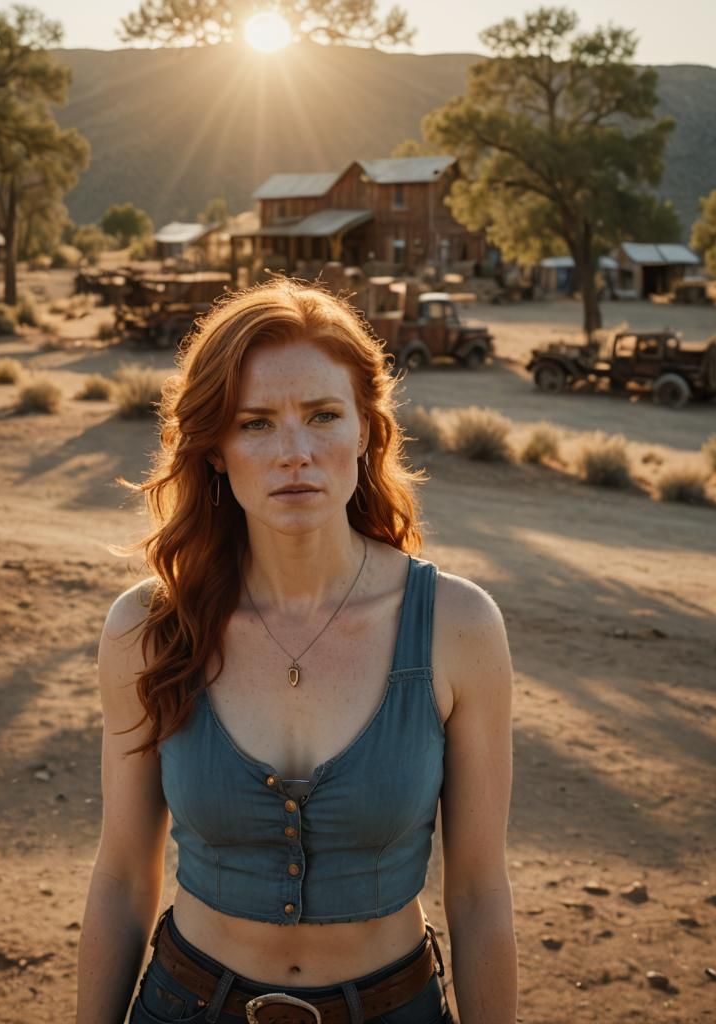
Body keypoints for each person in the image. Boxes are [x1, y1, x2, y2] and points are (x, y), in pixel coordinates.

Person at [76, 278, 517, 1024]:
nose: (295, 453)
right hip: (188, 1005)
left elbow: (477, 892)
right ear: (216, 450)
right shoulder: (147, 629)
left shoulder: (457, 625)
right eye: (255, 424)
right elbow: (122, 875)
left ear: (366, 431)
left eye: (323, 416)